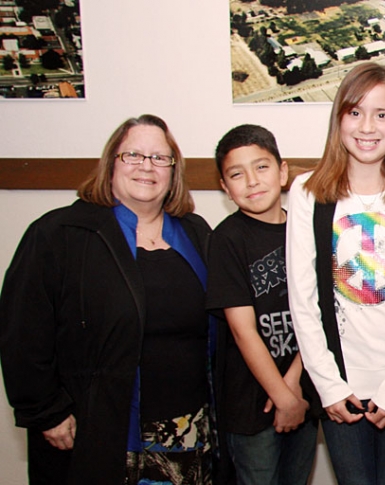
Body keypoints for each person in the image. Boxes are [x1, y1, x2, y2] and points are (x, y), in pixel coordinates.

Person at [0, 114, 220, 484]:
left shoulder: (196, 233)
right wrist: (45, 412)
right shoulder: (59, 234)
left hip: (190, 431)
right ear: (111, 163)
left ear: (173, 170)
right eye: (133, 155)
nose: (146, 167)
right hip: (100, 433)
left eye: (159, 158)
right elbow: (22, 332)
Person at [287, 62, 385, 485]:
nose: (367, 126)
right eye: (355, 112)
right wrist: (328, 385)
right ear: (339, 119)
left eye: (382, 114)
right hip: (338, 384)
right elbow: (303, 298)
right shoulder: (307, 192)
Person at [206, 124, 323, 485]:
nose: (252, 181)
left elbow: (321, 314)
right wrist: (281, 396)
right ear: (225, 188)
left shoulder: (307, 230)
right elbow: (243, 332)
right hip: (250, 405)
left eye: (261, 167)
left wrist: (294, 383)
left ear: (283, 172)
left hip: (304, 389)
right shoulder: (227, 239)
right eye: (236, 174)